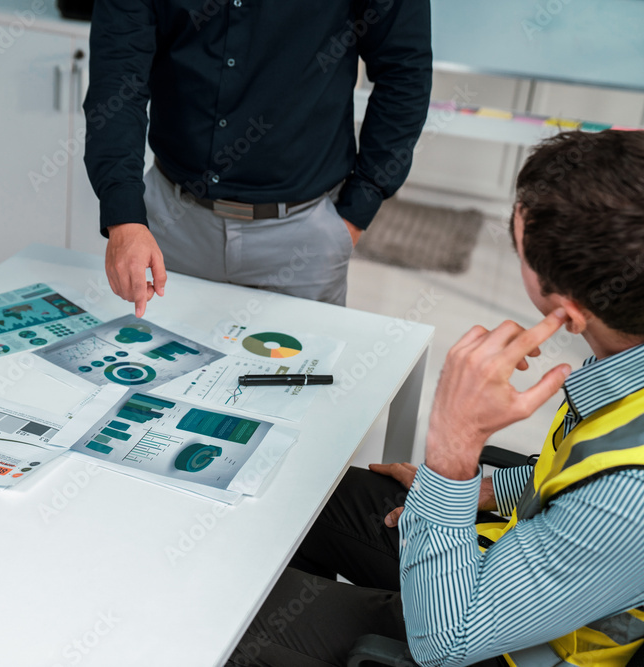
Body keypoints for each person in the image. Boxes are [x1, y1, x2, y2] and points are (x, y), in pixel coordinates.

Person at [226, 129, 644, 666]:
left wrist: (453, 450)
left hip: (489, 642)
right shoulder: (622, 361)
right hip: (516, 552)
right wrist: (482, 492)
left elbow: (446, 642)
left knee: (225, 611)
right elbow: (568, 478)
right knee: (302, 492)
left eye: (519, 247)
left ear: (566, 308)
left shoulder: (627, 495)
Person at [84, 0, 433, 316]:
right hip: (169, 229)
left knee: (294, 385)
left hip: (303, 237)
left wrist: (358, 208)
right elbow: (117, 80)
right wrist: (125, 217)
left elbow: (404, 69)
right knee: (153, 379)